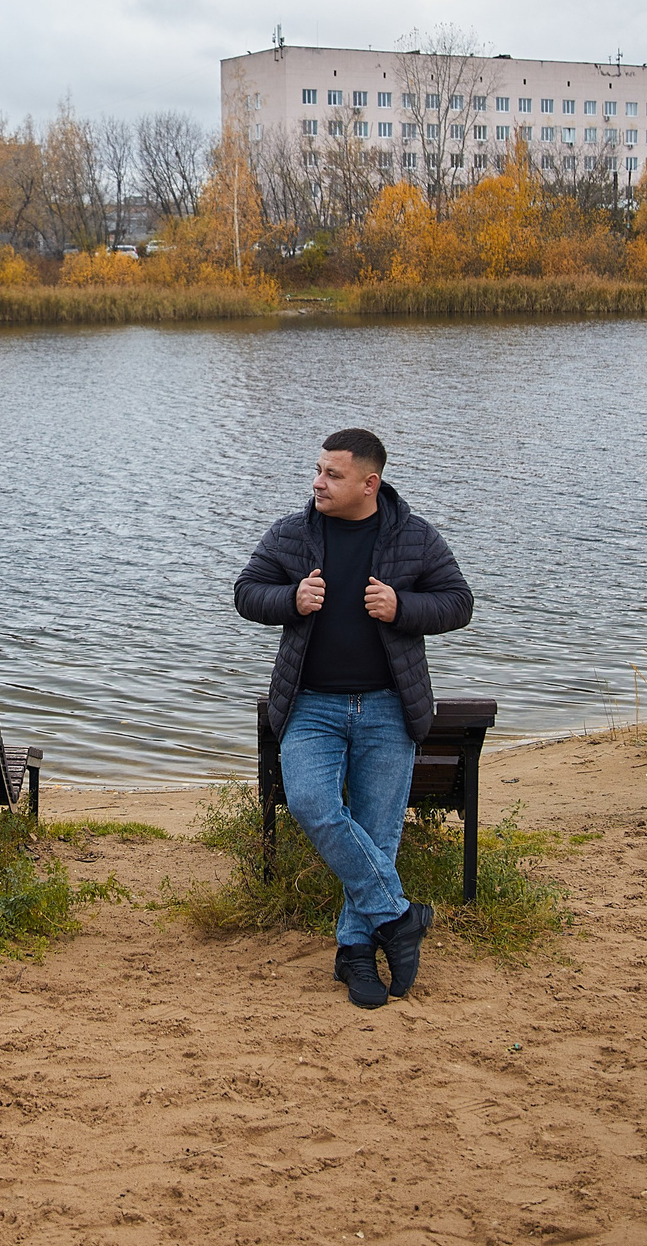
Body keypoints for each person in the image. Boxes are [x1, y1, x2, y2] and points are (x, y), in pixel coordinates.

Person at [233, 428, 474, 1009]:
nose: (317, 482)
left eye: (332, 474)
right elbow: (246, 592)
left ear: (370, 483)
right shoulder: (292, 534)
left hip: (388, 706)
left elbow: (458, 602)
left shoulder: (414, 538)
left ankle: (357, 952)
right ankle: (398, 917)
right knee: (314, 804)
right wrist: (290, 599)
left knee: (376, 833)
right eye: (317, 470)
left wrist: (403, 607)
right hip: (311, 706)